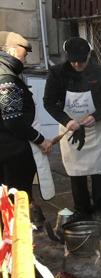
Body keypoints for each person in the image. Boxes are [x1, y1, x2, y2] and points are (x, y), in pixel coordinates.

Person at [43, 37, 101, 223]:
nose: (77, 64)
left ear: (88, 57)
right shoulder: (57, 73)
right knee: (76, 173)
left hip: (96, 128)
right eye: (73, 60)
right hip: (71, 129)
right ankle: (82, 211)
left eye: (81, 61)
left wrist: (96, 116)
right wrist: (67, 121)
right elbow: (49, 102)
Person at [0, 31, 52, 226]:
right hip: (12, 153)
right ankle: (17, 238)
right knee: (17, 199)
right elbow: (13, 120)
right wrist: (40, 139)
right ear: (12, 51)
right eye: (24, 52)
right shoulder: (6, 78)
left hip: (5, 150)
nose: (26, 57)